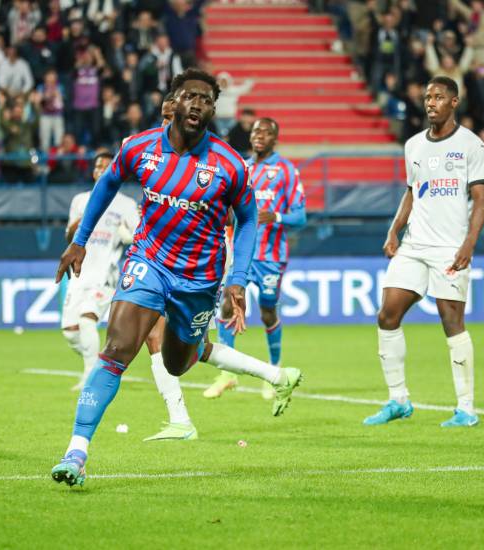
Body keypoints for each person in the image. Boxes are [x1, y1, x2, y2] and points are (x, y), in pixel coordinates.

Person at [50, 69, 302, 487]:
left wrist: (237, 279)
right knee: (117, 351)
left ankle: (271, 375)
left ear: (211, 110)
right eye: (191, 96)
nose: (199, 104)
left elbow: (247, 220)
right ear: (175, 101)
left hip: (199, 280)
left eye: (207, 99)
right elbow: (106, 186)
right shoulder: (139, 147)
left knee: (177, 361)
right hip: (148, 262)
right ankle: (77, 451)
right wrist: (80, 240)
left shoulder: (228, 164)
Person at [363, 76, 484, 429]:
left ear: (454, 102)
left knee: (451, 321)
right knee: (387, 314)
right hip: (414, 245)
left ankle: (466, 408)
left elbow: (481, 199)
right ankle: (398, 400)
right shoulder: (414, 145)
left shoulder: (471, 145)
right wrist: (394, 229)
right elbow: (411, 192)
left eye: (438, 97)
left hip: (450, 247)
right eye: (427, 97)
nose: (430, 102)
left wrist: (469, 243)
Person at [207, 118, 306, 400]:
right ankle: (227, 374)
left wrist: (276, 216)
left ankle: (274, 369)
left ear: (275, 139)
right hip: (241, 254)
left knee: (267, 311)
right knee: (228, 303)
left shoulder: (286, 171)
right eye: (256, 131)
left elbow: (301, 217)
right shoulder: (242, 168)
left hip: (271, 257)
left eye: (267, 132)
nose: (259, 136)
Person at [61, 151, 140, 392]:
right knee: (71, 332)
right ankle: (101, 365)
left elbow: (138, 237)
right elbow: (68, 236)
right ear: (94, 171)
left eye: (107, 166)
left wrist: (127, 235)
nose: (101, 170)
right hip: (79, 273)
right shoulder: (80, 200)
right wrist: (84, 217)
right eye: (98, 166)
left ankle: (90, 378)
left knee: (87, 321)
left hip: (106, 273)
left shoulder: (126, 204)